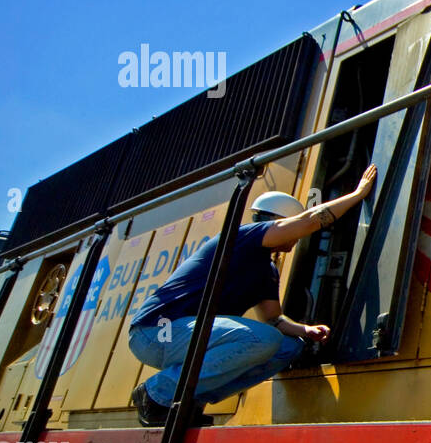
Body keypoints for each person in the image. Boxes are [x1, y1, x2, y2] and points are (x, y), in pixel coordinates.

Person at [127, 164, 377, 427]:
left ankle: (188, 400)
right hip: (154, 333)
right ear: (277, 221)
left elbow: (273, 320)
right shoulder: (242, 237)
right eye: (291, 226)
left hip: (190, 339)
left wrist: (306, 329)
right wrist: (358, 194)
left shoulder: (265, 270)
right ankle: (156, 394)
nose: (295, 239)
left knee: (287, 347)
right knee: (264, 339)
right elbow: (310, 221)